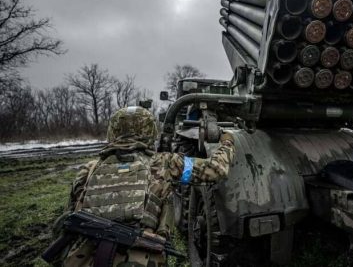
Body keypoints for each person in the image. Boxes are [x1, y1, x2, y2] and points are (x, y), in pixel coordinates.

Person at [47, 106, 235, 267]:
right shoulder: (165, 164)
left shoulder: (88, 170)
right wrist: (227, 141)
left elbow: (67, 220)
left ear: (113, 132)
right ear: (150, 132)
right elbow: (216, 169)